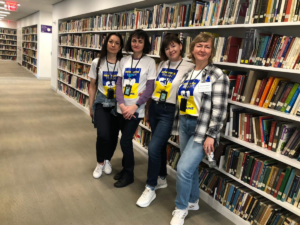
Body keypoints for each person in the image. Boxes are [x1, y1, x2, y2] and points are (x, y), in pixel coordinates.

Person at [170, 33, 229, 225]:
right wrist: (179, 128)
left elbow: (220, 109)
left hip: (202, 128)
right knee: (192, 169)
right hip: (186, 124)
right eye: (199, 46)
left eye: (207, 47)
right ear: (192, 49)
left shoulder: (217, 75)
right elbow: (184, 102)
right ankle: (193, 201)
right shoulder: (188, 74)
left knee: (183, 168)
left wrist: (211, 135)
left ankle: (180, 208)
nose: (202, 50)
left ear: (211, 51)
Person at [136, 34, 194, 207]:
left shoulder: (189, 66)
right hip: (154, 107)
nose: (171, 50)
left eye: (174, 46)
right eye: (167, 48)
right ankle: (161, 177)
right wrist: (147, 109)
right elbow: (154, 87)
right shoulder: (161, 64)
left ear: (181, 46)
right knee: (159, 146)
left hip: (169, 111)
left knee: (153, 147)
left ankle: (150, 187)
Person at [115, 29, 156, 188]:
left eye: (140, 41)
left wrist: (134, 107)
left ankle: (129, 173)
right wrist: (122, 105)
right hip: (122, 107)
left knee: (125, 140)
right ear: (130, 42)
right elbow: (118, 84)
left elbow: (150, 88)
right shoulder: (123, 60)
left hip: (136, 109)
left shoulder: (150, 62)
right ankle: (125, 169)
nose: (136, 44)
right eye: (134, 40)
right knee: (123, 139)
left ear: (144, 44)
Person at [88, 32, 123, 179]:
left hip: (118, 104)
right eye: (111, 42)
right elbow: (92, 85)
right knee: (102, 134)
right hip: (102, 102)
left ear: (120, 46)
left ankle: (108, 159)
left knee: (114, 135)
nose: (113, 45)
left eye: (117, 43)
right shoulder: (97, 62)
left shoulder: (124, 63)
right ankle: (100, 162)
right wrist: (90, 106)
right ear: (106, 43)